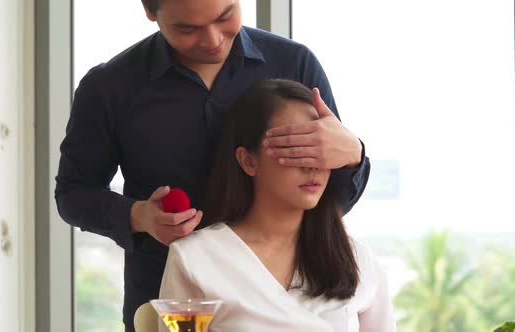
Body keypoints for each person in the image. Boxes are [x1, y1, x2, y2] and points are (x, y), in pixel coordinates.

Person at [55, 0, 370, 330]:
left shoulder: (294, 64)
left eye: (225, 16)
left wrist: (352, 154)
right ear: (150, 11)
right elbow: (73, 195)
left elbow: (330, 199)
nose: (213, 40)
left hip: (293, 292)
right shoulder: (110, 87)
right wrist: (139, 217)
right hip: (170, 297)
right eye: (187, 29)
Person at [159, 79, 395, 332]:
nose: (311, 164)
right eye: (295, 148)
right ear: (248, 161)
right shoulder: (196, 258)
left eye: (318, 148)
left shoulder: (356, 259)